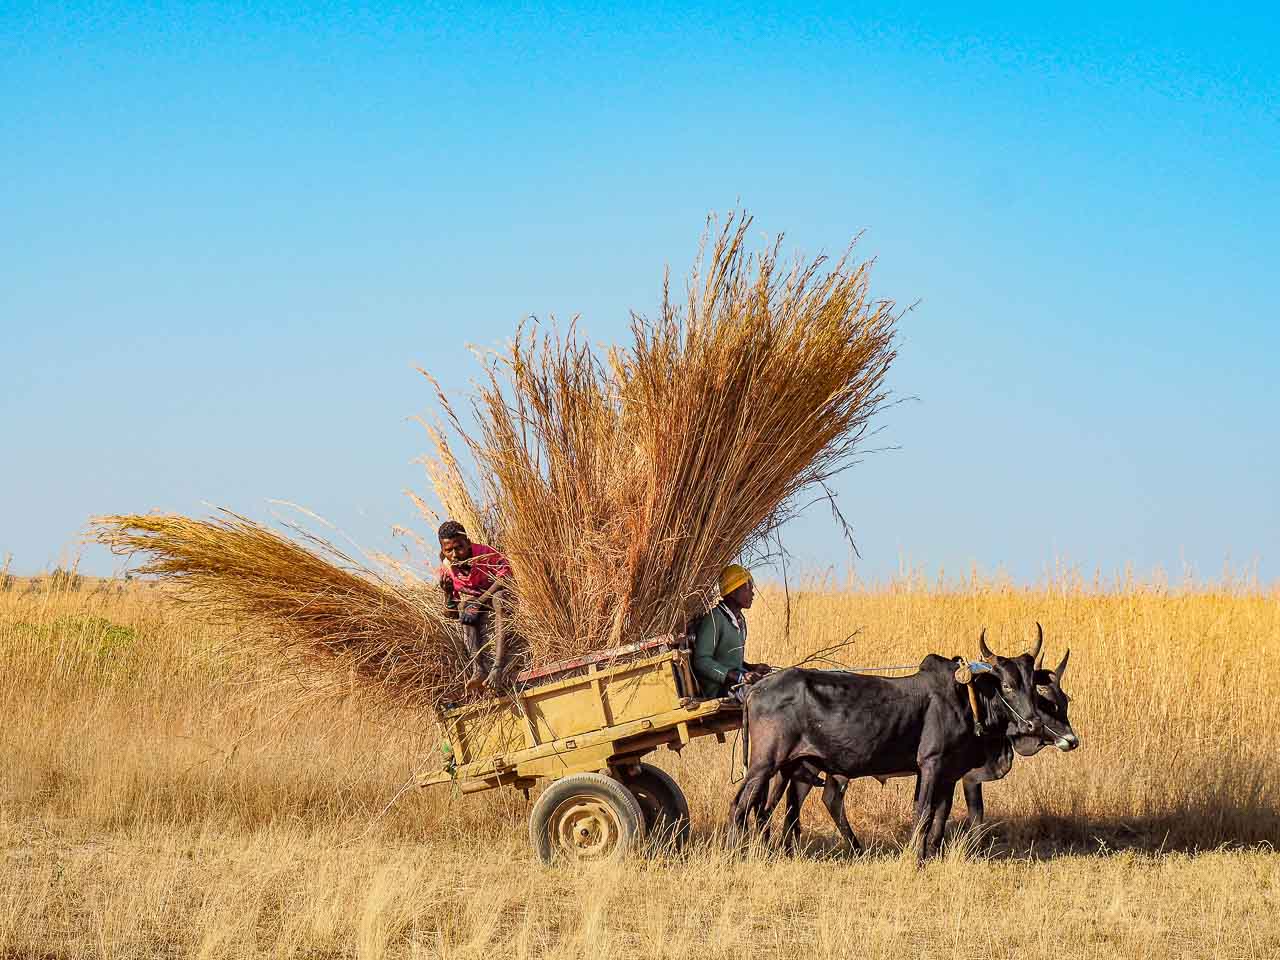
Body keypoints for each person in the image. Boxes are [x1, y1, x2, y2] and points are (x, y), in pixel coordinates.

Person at [437, 520, 514, 691]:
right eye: (449, 550)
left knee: (500, 599)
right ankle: (477, 668)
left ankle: (498, 667)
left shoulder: (484, 553)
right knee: (465, 609)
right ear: (443, 551)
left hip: (496, 593)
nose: (455, 554)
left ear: (468, 543)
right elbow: (451, 613)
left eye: (459, 547)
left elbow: (506, 578)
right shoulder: (446, 568)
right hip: (476, 601)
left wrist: (480, 602)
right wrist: (447, 593)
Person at [691, 564, 772, 699]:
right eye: (748, 588)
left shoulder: (740, 621)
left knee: (775, 684)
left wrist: (752, 668)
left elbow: (731, 662)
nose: (752, 593)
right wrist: (739, 677)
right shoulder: (714, 619)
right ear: (733, 591)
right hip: (719, 689)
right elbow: (701, 661)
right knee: (761, 695)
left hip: (736, 683)